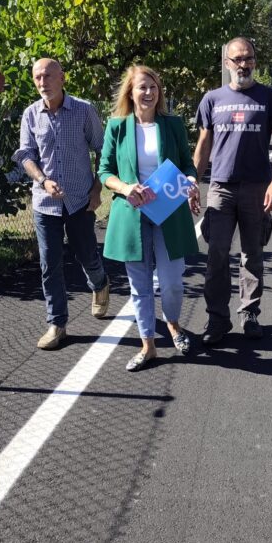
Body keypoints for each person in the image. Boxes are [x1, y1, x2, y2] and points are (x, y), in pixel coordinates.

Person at [99, 65, 201, 371]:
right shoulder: (117, 126)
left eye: (153, 86)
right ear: (130, 92)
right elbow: (104, 171)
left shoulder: (173, 124)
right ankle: (148, 345)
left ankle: (173, 324)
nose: (148, 92)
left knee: (172, 283)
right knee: (139, 286)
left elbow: (187, 164)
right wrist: (125, 187)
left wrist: (191, 181)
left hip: (169, 212)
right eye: (142, 87)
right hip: (132, 214)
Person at [193, 37, 272, 346]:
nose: (243, 64)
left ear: (255, 61)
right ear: (227, 63)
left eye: (248, 58)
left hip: (257, 188)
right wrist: (193, 182)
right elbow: (204, 144)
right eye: (237, 59)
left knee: (253, 254)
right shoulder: (212, 99)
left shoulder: (269, 97)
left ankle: (249, 313)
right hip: (221, 188)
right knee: (217, 255)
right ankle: (217, 319)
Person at [15, 57, 110, 350]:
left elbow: (103, 150)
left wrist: (97, 189)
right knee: (50, 263)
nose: (42, 82)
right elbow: (26, 155)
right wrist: (42, 180)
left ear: (62, 78)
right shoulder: (31, 114)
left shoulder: (83, 110)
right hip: (45, 203)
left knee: (86, 255)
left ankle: (100, 284)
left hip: (80, 200)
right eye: (37, 77)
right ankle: (57, 324)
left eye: (47, 76)